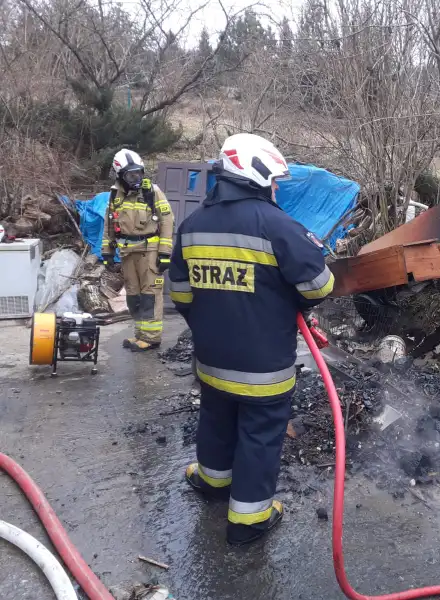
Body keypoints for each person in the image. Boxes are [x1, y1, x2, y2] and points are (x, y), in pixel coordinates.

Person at [168, 133, 335, 546]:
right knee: (260, 435)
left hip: (211, 359)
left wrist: (213, 319)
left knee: (216, 418)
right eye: (274, 181)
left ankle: (212, 481)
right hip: (263, 366)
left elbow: (181, 296)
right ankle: (248, 521)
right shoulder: (278, 226)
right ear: (256, 175)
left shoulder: (192, 225)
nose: (276, 189)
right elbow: (319, 286)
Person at [101, 149, 173, 351]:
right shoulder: (115, 196)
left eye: (139, 173)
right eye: (131, 175)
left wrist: (165, 252)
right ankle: (140, 333)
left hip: (149, 251)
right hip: (127, 253)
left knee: (150, 295)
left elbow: (167, 221)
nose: (136, 179)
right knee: (133, 296)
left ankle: (151, 338)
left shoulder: (152, 192)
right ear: (120, 176)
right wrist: (107, 252)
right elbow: (109, 224)